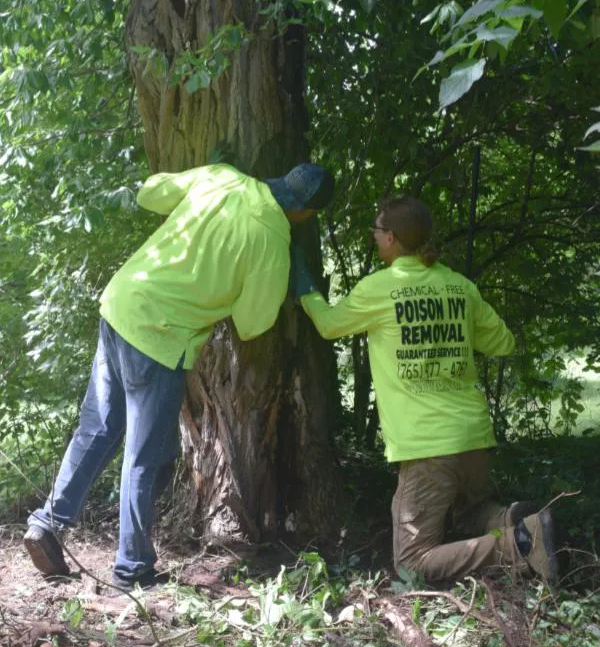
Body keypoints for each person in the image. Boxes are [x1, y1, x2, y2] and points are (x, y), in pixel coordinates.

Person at [24, 160, 335, 590]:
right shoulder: (271, 240)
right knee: (145, 456)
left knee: (98, 428)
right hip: (158, 337)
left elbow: (151, 193)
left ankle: (47, 524)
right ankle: (132, 568)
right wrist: (283, 273)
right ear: (306, 213)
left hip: (121, 304)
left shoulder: (222, 176)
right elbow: (252, 322)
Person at [292, 196, 557, 585]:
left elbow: (329, 324)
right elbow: (502, 343)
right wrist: (457, 311)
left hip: (427, 445)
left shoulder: (380, 289)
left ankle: (516, 544)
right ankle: (516, 520)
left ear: (394, 239)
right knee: (471, 514)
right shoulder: (459, 286)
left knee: (412, 562)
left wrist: (305, 288)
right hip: (473, 436)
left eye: (377, 231)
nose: (374, 237)